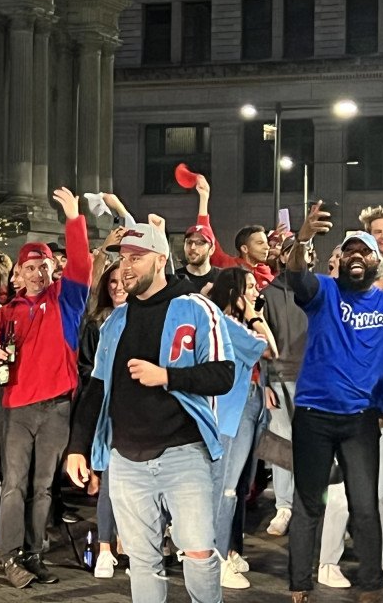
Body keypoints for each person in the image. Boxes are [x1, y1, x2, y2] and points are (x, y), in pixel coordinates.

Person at [65, 217, 236, 603]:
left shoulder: (196, 308)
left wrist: (167, 376)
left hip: (183, 451)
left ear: (160, 260)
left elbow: (223, 374)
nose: (126, 267)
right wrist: (77, 446)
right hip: (126, 457)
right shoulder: (115, 321)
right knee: (141, 559)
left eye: (137, 257)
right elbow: (97, 388)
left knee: (197, 550)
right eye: (123, 257)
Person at [285, 203, 383, 603]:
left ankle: (369, 585)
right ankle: (300, 584)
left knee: (365, 505)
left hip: (362, 420)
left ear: (378, 261)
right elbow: (296, 276)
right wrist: (302, 239)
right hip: (314, 416)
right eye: (348, 250)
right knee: (308, 503)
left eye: (364, 251)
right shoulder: (324, 293)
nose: (355, 256)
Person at [0, 188, 90, 589]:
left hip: (56, 407)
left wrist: (74, 218)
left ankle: (35, 553)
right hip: (18, 407)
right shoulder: (7, 313)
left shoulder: (66, 301)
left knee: (43, 486)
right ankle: (10, 555)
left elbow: (81, 264)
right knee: (14, 484)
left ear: (51, 270)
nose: (38, 273)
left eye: (45, 267)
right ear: (19, 273)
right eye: (31, 267)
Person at [206, 267, 274, 589]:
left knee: (234, 488)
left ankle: (224, 550)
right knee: (225, 489)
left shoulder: (232, 323)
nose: (254, 293)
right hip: (228, 412)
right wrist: (253, 316)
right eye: (248, 288)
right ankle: (214, 559)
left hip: (246, 408)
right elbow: (270, 348)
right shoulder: (225, 323)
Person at [77, 262, 127, 578]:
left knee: (137, 489)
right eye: (112, 281)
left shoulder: (150, 317)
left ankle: (133, 548)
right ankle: (105, 549)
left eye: (124, 280)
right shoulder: (99, 323)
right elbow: (90, 371)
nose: (118, 286)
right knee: (109, 481)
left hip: (141, 413)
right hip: (108, 409)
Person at [261, 236, 309, 538]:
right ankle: (284, 505)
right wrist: (264, 381)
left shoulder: (319, 290)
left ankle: (311, 504)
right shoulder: (268, 294)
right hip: (278, 378)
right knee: (281, 445)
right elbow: (260, 339)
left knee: (313, 446)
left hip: (313, 380)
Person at [190, 174, 273, 289]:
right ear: (244, 248)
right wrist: (204, 198)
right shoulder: (229, 266)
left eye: (267, 243)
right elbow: (204, 233)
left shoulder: (269, 274)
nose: (267, 247)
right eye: (260, 243)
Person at [175, 224, 221, 293]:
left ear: (211, 249)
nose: (192, 247)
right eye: (189, 242)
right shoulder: (175, 279)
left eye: (199, 243)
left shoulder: (222, 278)